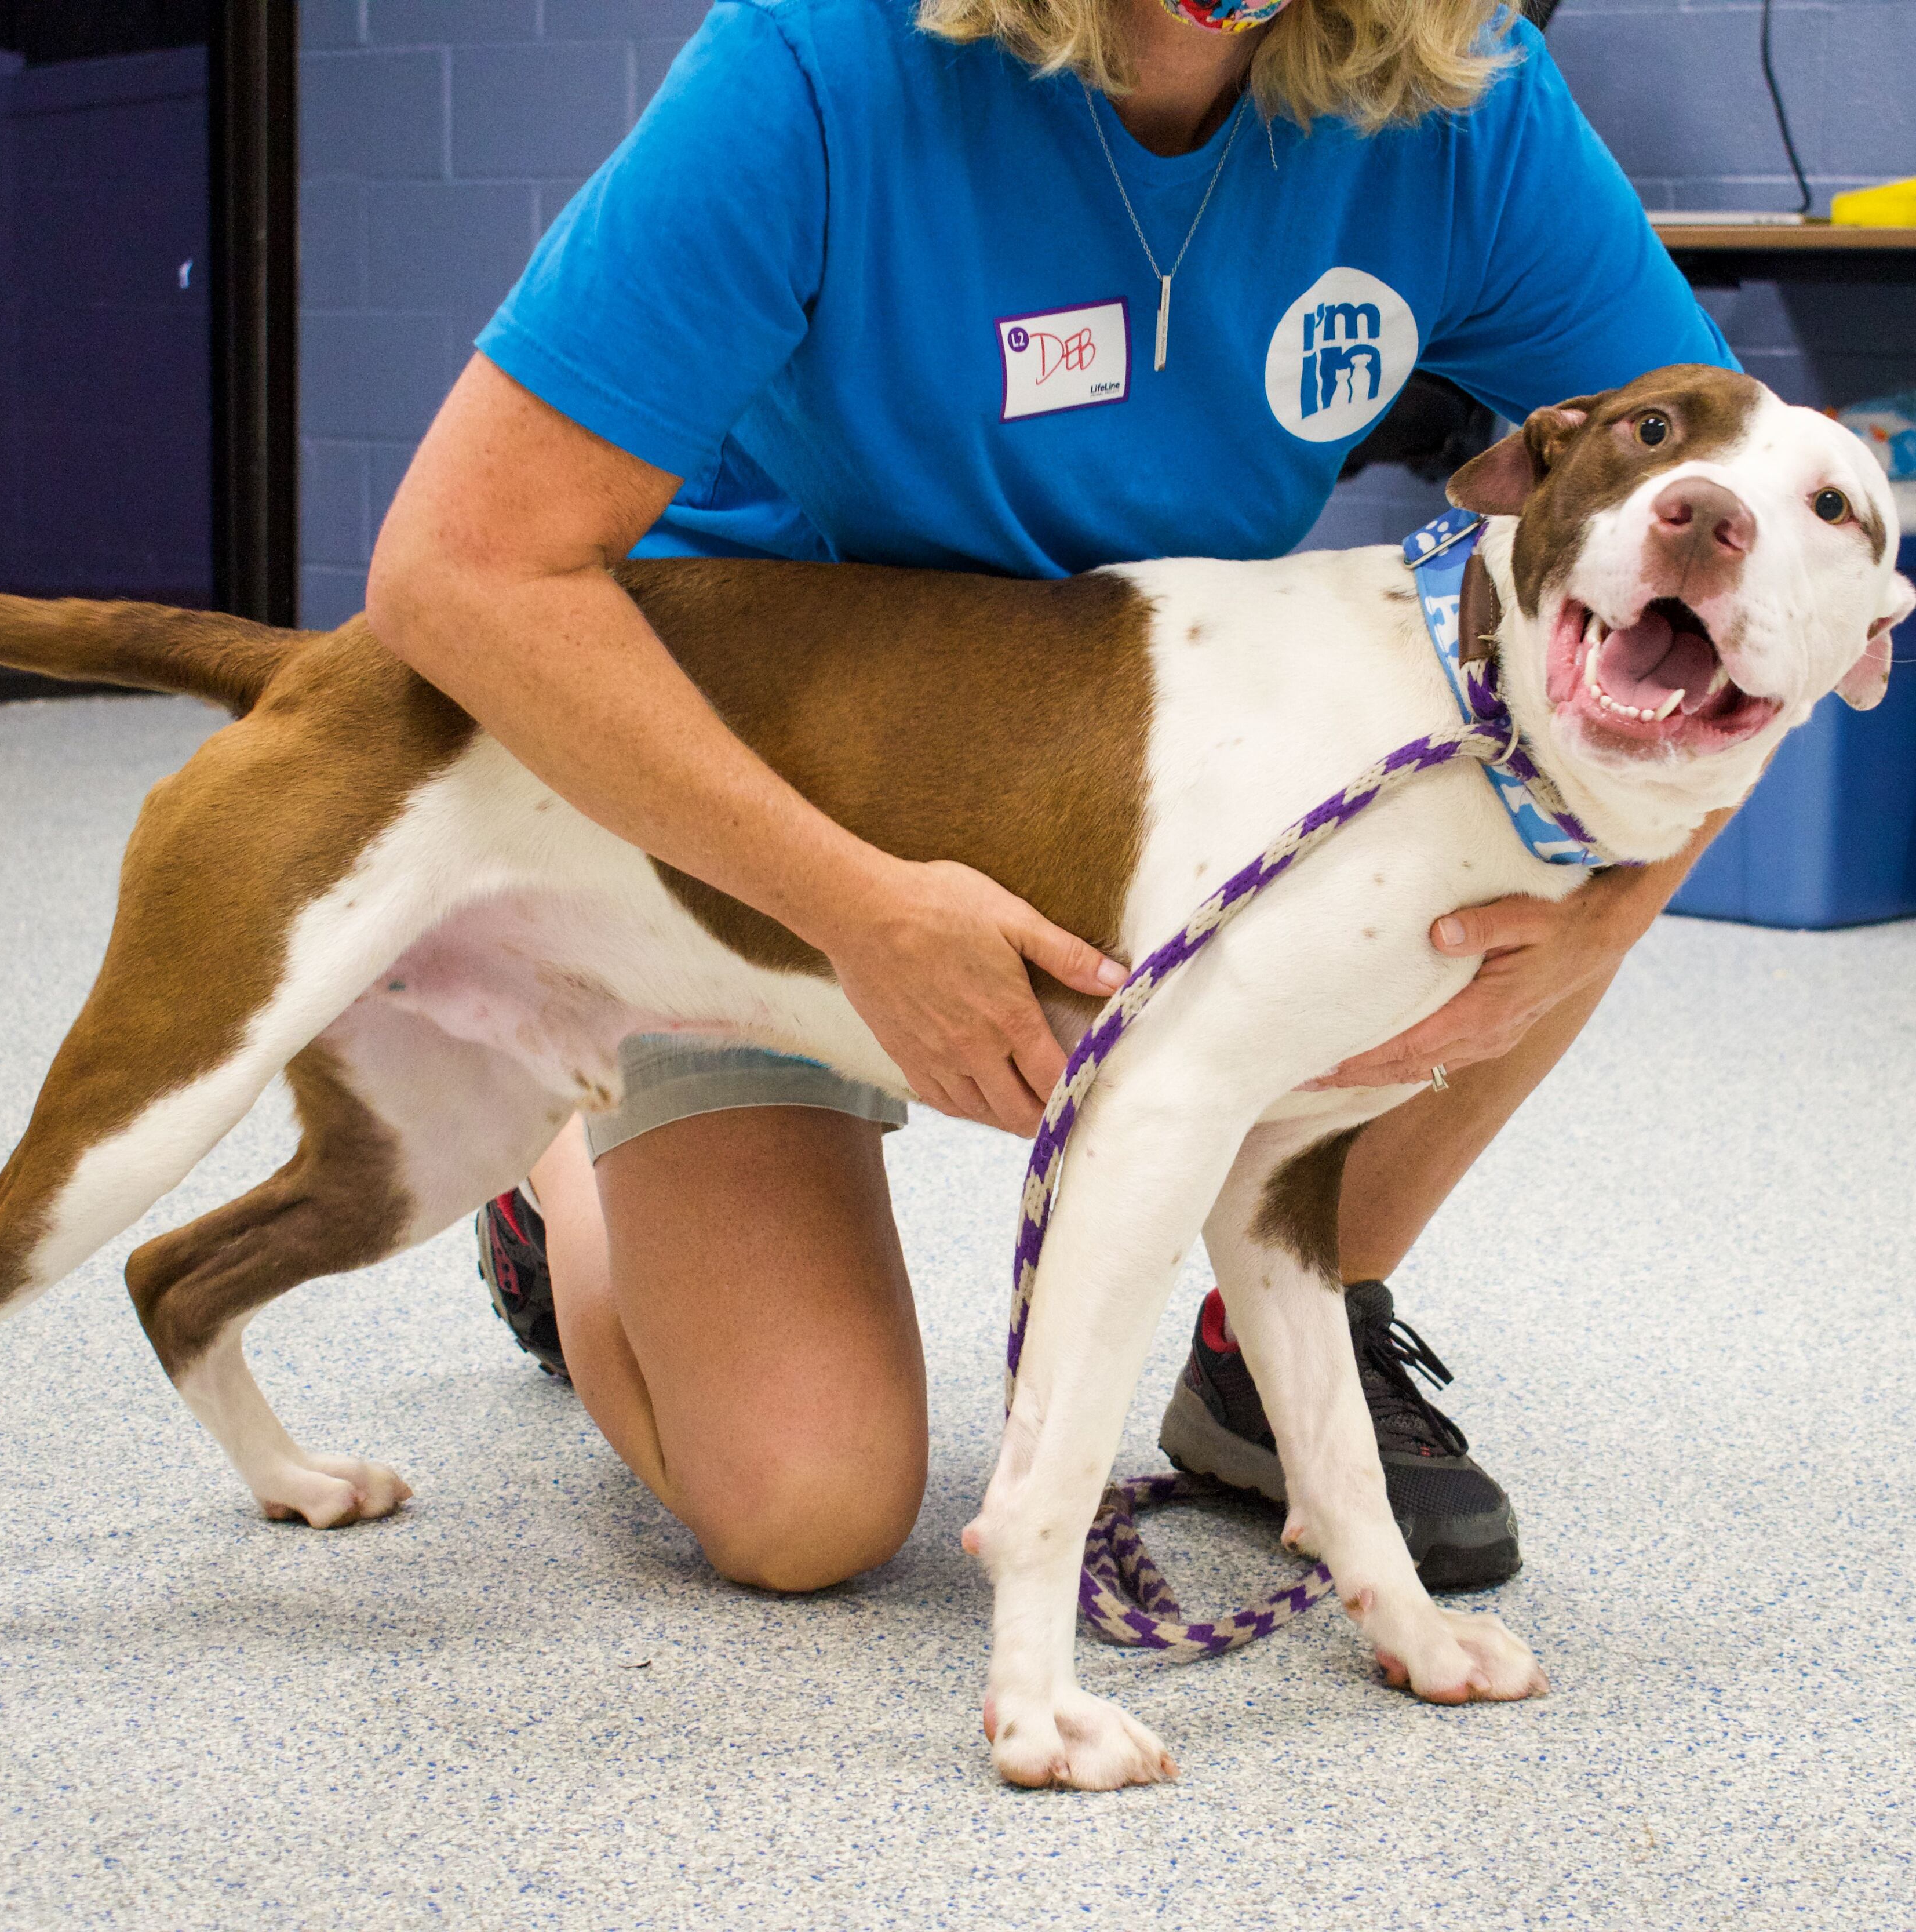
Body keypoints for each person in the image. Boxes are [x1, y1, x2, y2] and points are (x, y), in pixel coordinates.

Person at [365, 0, 1734, 1599]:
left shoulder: (1461, 89)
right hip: (761, 784)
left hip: (1146, 770)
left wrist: (1610, 920)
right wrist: (853, 907)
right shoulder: (816, 63)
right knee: (805, 1506)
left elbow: (1773, 533)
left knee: (1537, 851)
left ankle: (1274, 1351)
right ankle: (563, 1142)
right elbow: (457, 570)